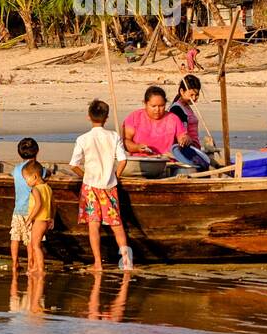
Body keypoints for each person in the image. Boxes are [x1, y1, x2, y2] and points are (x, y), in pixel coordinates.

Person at [69, 99, 131, 271]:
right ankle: (126, 261)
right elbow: (123, 160)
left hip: (90, 186)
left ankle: (97, 262)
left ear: (89, 117)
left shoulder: (83, 139)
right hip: (109, 185)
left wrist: (85, 176)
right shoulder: (114, 136)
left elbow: (73, 164)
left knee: (93, 225)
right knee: (116, 224)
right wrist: (115, 176)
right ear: (106, 117)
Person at [122, 85, 191, 157]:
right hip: (141, 161)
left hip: (166, 161)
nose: (157, 110)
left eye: (161, 106)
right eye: (153, 106)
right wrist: (137, 147)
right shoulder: (135, 117)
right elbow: (125, 141)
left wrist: (185, 140)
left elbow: (183, 137)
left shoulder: (173, 119)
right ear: (145, 104)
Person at [168, 75, 212, 170]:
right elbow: (181, 135)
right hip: (186, 151)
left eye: (196, 95)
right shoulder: (177, 109)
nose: (194, 98)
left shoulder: (187, 106)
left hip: (193, 149)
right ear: (182, 91)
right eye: (191, 95)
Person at [9, 137, 41, 267]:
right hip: (31, 210)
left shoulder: (16, 169)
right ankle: (30, 263)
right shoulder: (37, 170)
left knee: (15, 237)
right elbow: (43, 177)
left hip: (17, 210)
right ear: (37, 151)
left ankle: (14, 262)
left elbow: (12, 175)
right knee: (30, 239)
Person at [23, 159, 53, 275]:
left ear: (35, 176)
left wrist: (30, 218)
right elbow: (53, 204)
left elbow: (38, 204)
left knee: (35, 245)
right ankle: (36, 266)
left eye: (27, 179)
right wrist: (52, 218)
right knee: (36, 244)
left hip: (39, 220)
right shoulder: (47, 187)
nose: (26, 182)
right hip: (46, 220)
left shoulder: (35, 189)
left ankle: (40, 269)